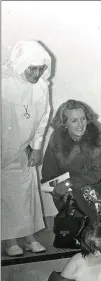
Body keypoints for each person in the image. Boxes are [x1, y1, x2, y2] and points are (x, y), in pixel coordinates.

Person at [2, 40, 52, 256]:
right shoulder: (3, 84)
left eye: (42, 69)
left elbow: (42, 119)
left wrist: (37, 147)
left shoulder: (41, 87)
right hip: (2, 148)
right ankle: (8, 238)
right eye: (33, 69)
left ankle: (29, 235)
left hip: (25, 148)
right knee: (5, 193)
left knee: (26, 191)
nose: (38, 74)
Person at [41, 99, 101, 230]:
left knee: (86, 192)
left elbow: (97, 174)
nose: (80, 124)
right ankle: (78, 232)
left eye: (83, 119)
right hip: (67, 188)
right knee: (71, 208)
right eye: (74, 121)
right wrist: (56, 189)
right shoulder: (57, 138)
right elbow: (49, 170)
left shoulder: (97, 135)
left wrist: (69, 183)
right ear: (64, 124)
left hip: (96, 183)